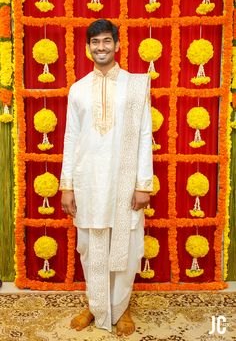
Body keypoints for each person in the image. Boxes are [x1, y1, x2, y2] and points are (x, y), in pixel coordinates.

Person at [60, 19, 153, 337]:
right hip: (89, 183)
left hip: (124, 183)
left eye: (106, 41)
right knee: (90, 246)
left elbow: (144, 134)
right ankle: (96, 305)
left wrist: (143, 184)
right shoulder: (78, 89)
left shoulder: (137, 85)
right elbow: (71, 138)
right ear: (88, 48)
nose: (101, 47)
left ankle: (122, 306)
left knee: (125, 247)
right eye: (95, 42)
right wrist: (67, 185)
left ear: (117, 45)